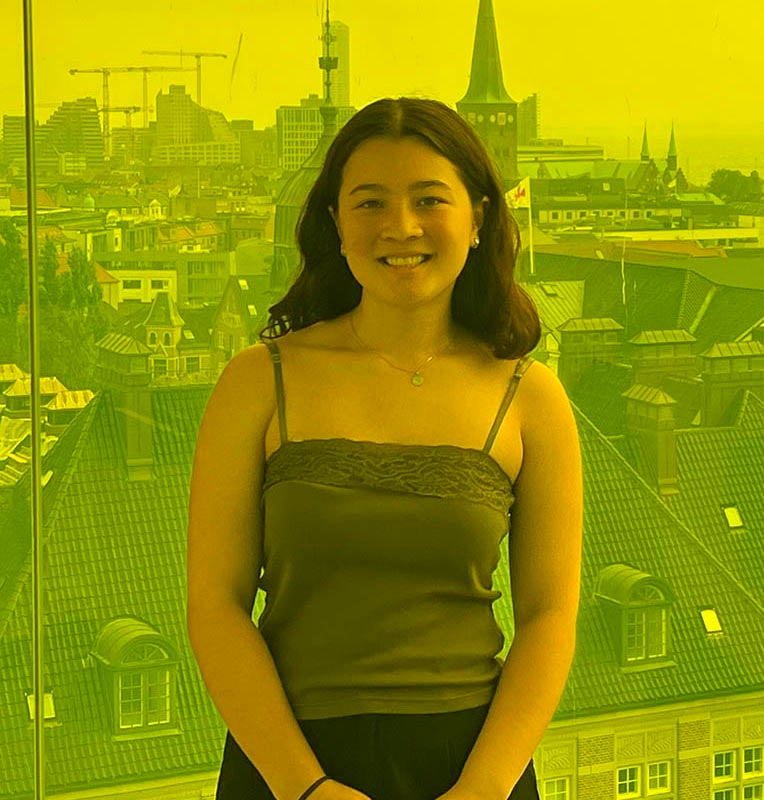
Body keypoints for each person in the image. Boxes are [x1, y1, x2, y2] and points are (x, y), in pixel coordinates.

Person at [187, 97, 583, 800]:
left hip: (473, 765)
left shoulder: (531, 397)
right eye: (370, 203)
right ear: (336, 224)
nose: (400, 226)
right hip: (286, 763)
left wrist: (485, 787)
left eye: (429, 199)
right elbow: (216, 606)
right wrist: (304, 786)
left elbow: (550, 616)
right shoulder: (257, 381)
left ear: (479, 217)